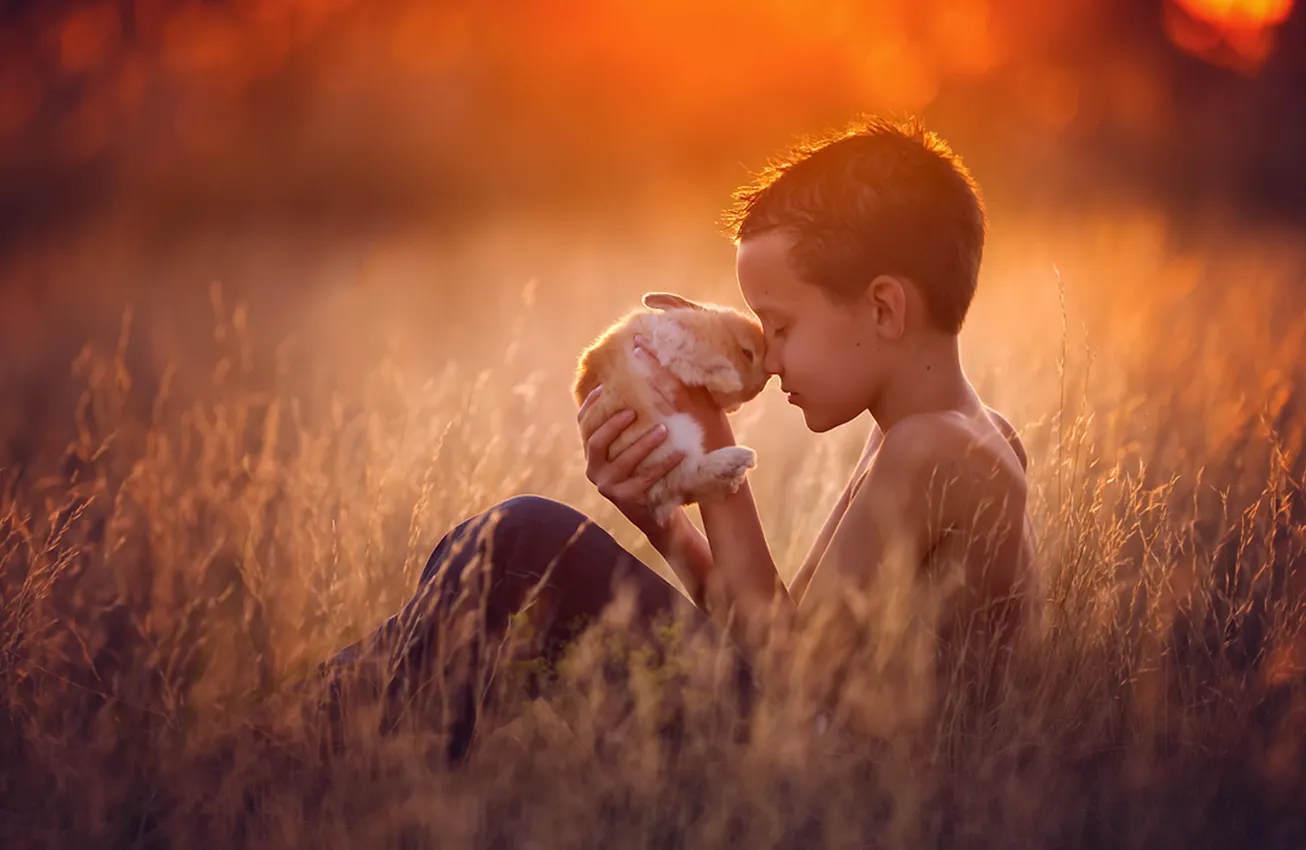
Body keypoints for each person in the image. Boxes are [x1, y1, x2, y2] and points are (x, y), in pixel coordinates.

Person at [317, 115, 1039, 762]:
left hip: (843, 792)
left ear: (884, 307)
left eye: (781, 327)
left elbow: (791, 680)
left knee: (524, 543)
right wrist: (663, 518)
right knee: (489, 562)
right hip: (817, 751)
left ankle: (297, 749)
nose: (773, 357)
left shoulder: (933, 450)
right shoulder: (941, 435)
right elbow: (778, 637)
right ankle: (336, 748)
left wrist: (715, 468)